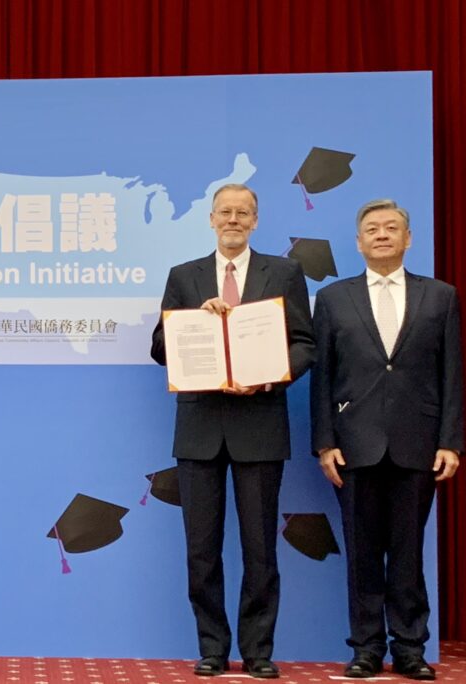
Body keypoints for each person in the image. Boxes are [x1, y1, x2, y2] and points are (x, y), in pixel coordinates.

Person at [151, 184, 315, 679]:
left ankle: (259, 651)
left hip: (260, 425)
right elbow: (160, 347)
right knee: (201, 549)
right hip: (200, 429)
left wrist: (269, 375)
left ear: (256, 221)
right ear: (211, 219)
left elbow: (305, 344)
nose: (234, 220)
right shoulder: (184, 276)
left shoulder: (284, 272)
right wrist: (192, 325)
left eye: (244, 213)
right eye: (226, 212)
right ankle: (212, 649)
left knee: (261, 548)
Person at [311, 199, 463, 681]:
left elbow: (453, 374)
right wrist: (324, 442)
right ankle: (367, 648)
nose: (382, 234)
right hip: (353, 445)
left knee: (408, 550)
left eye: (391, 227)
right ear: (358, 242)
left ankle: (411, 647)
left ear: (408, 238)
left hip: (419, 443)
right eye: (372, 229)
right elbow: (323, 379)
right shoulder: (334, 299)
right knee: (360, 553)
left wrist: (451, 441)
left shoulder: (440, 296)